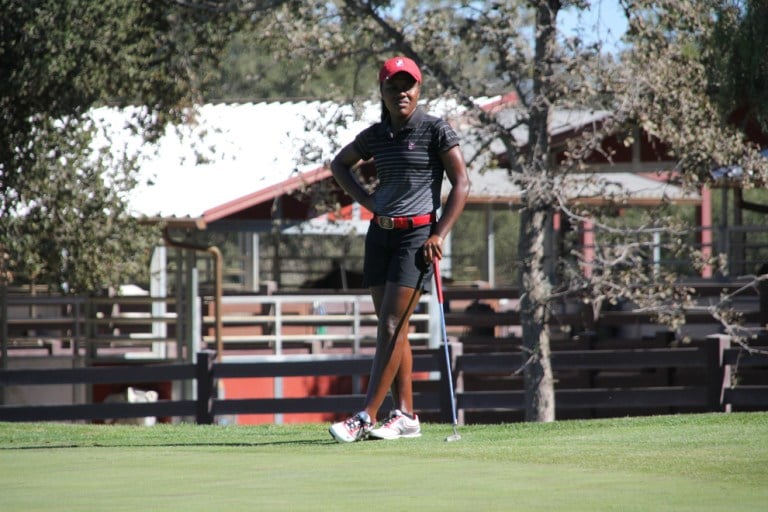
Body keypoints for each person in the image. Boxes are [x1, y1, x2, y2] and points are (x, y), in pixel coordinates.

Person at [328, 56, 470, 442]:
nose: (401, 92)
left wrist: (439, 233)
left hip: (418, 237)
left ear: (418, 89)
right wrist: (366, 200)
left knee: (392, 325)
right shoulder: (375, 135)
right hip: (381, 234)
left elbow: (461, 184)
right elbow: (339, 165)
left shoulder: (435, 130)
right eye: (393, 86)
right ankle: (406, 416)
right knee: (393, 327)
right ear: (383, 91)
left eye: (408, 86)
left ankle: (365, 416)